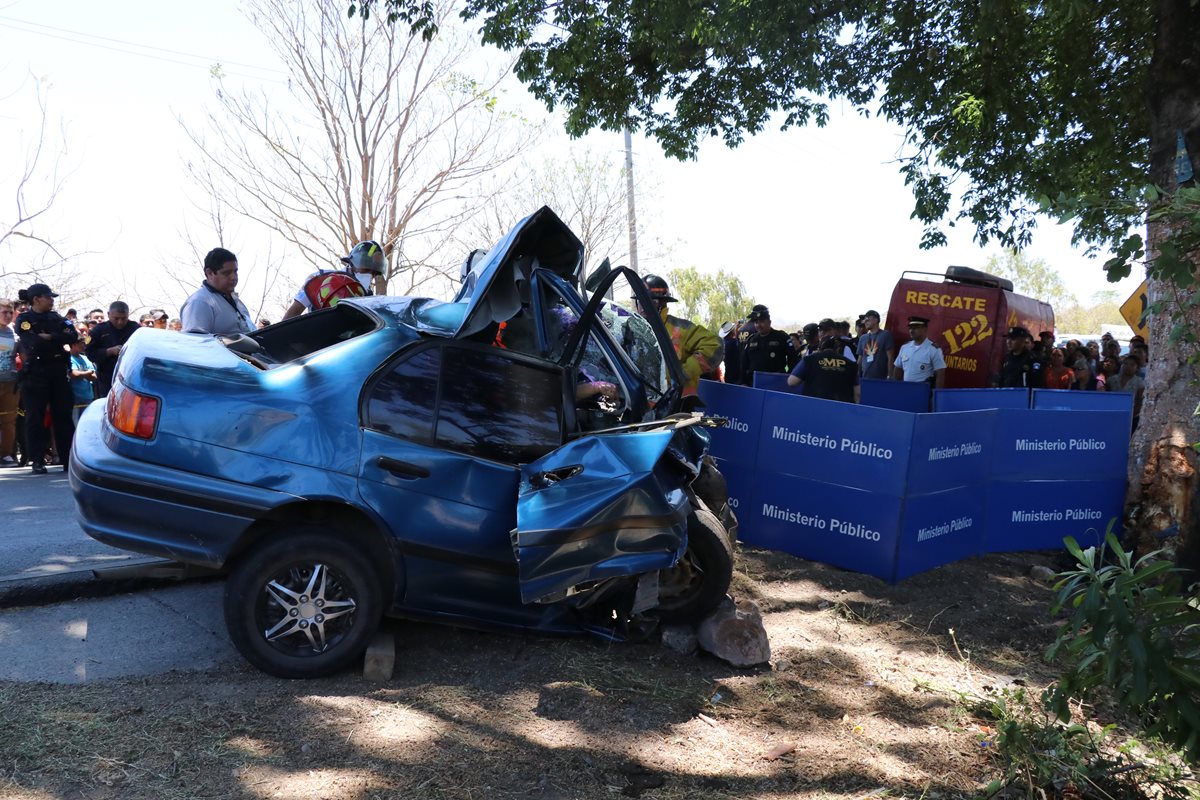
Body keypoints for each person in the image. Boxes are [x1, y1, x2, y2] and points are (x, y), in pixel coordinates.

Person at [14, 283, 77, 474]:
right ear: (36, 299)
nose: (52, 300)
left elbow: (72, 335)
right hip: (36, 372)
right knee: (35, 417)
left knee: (63, 416)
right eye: (48, 297)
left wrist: (50, 337)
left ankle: (68, 459)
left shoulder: (56, 318)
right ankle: (37, 459)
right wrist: (57, 338)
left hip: (58, 370)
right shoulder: (25, 319)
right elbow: (30, 341)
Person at [635, 275, 722, 396]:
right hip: (644, 405)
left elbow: (715, 346)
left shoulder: (681, 328)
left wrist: (683, 373)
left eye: (651, 302)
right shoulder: (633, 330)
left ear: (663, 304)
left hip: (678, 405)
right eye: (641, 302)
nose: (644, 307)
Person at [282, 240, 387, 320]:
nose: (369, 275)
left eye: (374, 273)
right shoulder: (320, 279)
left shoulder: (368, 299)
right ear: (353, 263)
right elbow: (296, 309)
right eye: (366, 269)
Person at [180, 247, 254, 336]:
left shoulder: (236, 301)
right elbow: (196, 343)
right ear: (209, 273)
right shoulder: (199, 302)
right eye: (227, 273)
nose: (234, 277)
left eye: (235, 271)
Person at [86, 301, 138, 398]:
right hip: (107, 378)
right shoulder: (98, 330)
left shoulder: (136, 329)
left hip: (130, 378)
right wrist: (109, 351)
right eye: (116, 318)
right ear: (109, 315)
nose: (120, 322)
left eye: (123, 318)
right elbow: (90, 353)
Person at [788, 335, 860, 403]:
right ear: (838, 349)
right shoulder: (851, 364)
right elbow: (857, 393)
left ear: (819, 348)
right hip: (842, 408)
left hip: (814, 406)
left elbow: (791, 382)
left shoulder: (809, 359)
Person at [739, 306, 792, 385]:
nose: (758, 325)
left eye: (762, 321)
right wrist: (744, 382)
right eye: (756, 322)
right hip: (754, 384)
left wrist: (787, 378)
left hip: (775, 384)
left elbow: (793, 360)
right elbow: (744, 364)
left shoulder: (781, 337)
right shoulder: (751, 339)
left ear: (769, 322)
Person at [892, 316, 946, 387]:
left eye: (915, 328)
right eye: (910, 328)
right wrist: (895, 387)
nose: (911, 331)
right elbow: (898, 368)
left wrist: (936, 395)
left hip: (922, 391)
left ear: (925, 329)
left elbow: (940, 374)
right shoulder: (905, 347)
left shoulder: (934, 349)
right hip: (905, 389)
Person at [0, 299, 17, 466]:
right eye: (4, 312)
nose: (7, 315)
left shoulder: (14, 333)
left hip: (10, 383)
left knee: (8, 420)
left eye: (10, 312)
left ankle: (6, 454)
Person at [1107, 355, 1146, 428]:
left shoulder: (1140, 382)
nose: (1128, 366)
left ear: (1137, 368)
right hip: (1112, 415)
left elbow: (1139, 403)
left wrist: (1128, 416)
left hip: (1131, 418)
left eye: (1132, 365)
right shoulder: (1111, 380)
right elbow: (1106, 399)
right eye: (1125, 363)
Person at [857, 309, 895, 381]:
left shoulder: (886, 335)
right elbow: (860, 358)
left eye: (867, 319)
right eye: (864, 320)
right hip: (865, 378)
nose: (865, 322)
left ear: (876, 320)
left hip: (881, 379)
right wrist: (856, 375)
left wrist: (890, 376)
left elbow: (890, 357)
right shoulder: (863, 338)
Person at [68, 339, 97, 425]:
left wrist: (83, 374)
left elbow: (94, 376)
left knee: (88, 425)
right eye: (81, 343)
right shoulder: (69, 358)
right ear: (73, 345)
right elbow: (74, 374)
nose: (84, 345)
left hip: (88, 397)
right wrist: (87, 373)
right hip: (75, 400)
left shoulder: (85, 358)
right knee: (76, 426)